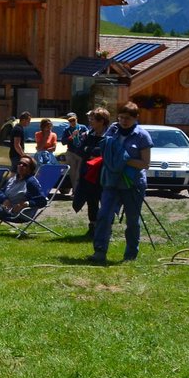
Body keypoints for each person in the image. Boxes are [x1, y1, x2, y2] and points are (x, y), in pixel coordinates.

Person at [88, 102, 152, 264]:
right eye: (121, 117)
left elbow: (145, 164)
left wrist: (123, 160)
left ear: (136, 118)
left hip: (133, 184)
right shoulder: (113, 130)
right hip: (111, 182)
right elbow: (106, 151)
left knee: (132, 220)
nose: (123, 121)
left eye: (128, 118)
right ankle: (100, 251)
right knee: (104, 216)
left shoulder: (142, 136)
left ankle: (130, 254)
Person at [71, 108, 109, 235]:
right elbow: (80, 151)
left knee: (106, 202)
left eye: (92, 119)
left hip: (105, 175)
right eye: (90, 119)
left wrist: (91, 151)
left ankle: (106, 228)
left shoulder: (110, 136)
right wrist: (92, 151)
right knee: (91, 201)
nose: (90, 122)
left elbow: (106, 153)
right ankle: (93, 226)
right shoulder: (88, 135)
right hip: (89, 174)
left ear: (102, 121)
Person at [62, 111, 89, 193]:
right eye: (70, 121)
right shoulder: (67, 130)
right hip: (71, 153)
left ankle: (77, 190)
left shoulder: (82, 127)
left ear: (77, 119)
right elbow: (63, 142)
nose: (72, 122)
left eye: (73, 120)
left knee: (79, 173)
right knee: (73, 174)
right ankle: (75, 191)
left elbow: (89, 137)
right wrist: (71, 136)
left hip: (80, 153)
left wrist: (82, 136)